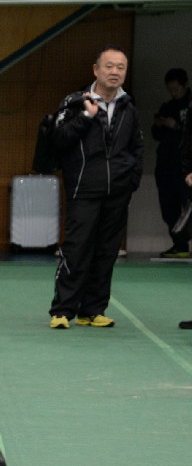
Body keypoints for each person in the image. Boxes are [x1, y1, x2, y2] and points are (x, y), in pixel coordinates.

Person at [48, 46, 144, 330]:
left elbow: (137, 147)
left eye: (121, 67)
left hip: (118, 192)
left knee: (107, 252)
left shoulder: (129, 106)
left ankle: (92, 310)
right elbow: (59, 138)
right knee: (76, 249)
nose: (115, 72)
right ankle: (62, 310)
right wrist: (86, 117)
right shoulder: (75, 102)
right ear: (96, 70)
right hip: (84, 189)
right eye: (109, 66)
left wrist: (131, 180)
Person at [151, 68, 191, 258]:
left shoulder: (190, 106)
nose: (173, 93)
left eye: (176, 89)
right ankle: (179, 245)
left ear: (184, 85)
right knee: (168, 207)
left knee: (188, 206)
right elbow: (156, 134)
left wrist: (176, 126)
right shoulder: (167, 106)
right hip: (166, 163)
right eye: (170, 89)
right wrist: (160, 125)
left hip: (185, 166)